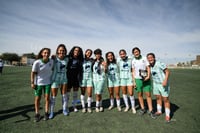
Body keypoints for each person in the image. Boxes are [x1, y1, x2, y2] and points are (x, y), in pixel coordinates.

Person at [132, 47, 156, 119]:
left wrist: (148, 76)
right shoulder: (133, 61)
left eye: (137, 51)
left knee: (148, 94)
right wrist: (134, 82)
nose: (136, 53)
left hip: (146, 79)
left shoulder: (145, 58)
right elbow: (133, 71)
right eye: (134, 52)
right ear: (133, 53)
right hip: (137, 79)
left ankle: (151, 110)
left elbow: (148, 68)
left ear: (139, 52)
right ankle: (143, 108)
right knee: (140, 94)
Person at [31, 48, 54, 122]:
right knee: (37, 99)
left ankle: (46, 112)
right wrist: (32, 82)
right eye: (45, 53)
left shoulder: (51, 61)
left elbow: (53, 68)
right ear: (42, 53)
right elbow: (33, 73)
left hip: (48, 83)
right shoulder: (37, 62)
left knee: (47, 98)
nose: (46, 54)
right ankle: (37, 114)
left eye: (48, 53)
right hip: (38, 83)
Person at [147, 53, 171, 122]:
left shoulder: (159, 63)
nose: (150, 59)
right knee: (158, 98)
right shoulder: (150, 66)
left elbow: (167, 71)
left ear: (154, 58)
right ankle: (159, 111)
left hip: (163, 84)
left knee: (165, 99)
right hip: (155, 84)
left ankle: (167, 115)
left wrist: (165, 80)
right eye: (148, 58)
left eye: (151, 57)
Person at [49, 44, 69, 119]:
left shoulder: (67, 59)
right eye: (60, 50)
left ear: (65, 51)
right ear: (57, 50)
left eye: (63, 50)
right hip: (55, 79)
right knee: (53, 96)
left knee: (64, 95)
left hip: (64, 79)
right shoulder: (54, 58)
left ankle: (64, 110)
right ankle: (51, 112)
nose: (61, 52)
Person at [117, 49, 136, 113]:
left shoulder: (130, 59)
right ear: (119, 55)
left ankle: (133, 107)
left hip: (129, 78)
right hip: (122, 79)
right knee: (124, 93)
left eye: (123, 54)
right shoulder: (118, 60)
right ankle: (127, 106)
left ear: (125, 54)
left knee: (131, 93)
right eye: (121, 54)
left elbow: (134, 56)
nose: (122, 55)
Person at [67, 46, 83, 112]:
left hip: (76, 78)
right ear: (73, 51)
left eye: (78, 51)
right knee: (67, 94)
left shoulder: (80, 59)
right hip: (68, 78)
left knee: (75, 94)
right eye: (75, 50)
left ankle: (74, 106)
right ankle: (66, 107)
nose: (77, 52)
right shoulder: (68, 58)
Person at [80, 49, 93, 113]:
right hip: (82, 79)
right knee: (83, 93)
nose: (89, 54)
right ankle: (83, 107)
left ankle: (89, 107)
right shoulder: (81, 60)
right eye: (88, 53)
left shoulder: (92, 60)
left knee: (90, 93)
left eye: (90, 53)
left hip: (89, 79)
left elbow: (99, 59)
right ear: (85, 53)